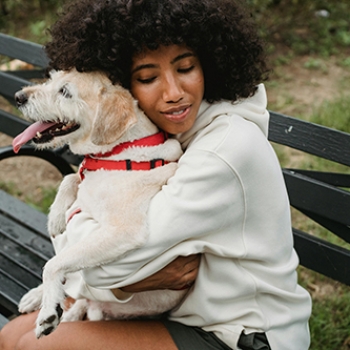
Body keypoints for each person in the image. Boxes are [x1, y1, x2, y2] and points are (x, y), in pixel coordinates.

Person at [0, 0, 312, 349]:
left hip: (242, 334)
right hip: (180, 315)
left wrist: (105, 276)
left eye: (186, 68)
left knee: (36, 346)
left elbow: (114, 259)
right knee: (10, 336)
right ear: (123, 87)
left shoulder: (225, 149)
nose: (174, 92)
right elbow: (113, 266)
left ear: (209, 64)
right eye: (148, 78)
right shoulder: (170, 132)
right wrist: (118, 280)